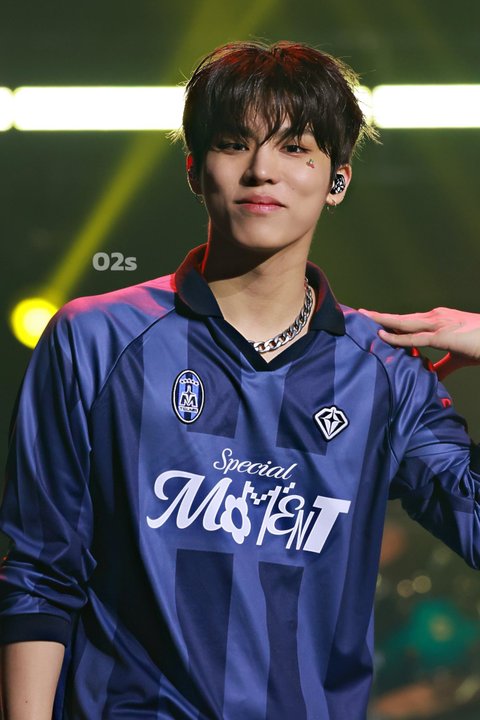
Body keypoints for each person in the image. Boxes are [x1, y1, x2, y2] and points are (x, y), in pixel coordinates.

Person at [0, 40, 479, 720]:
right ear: (195, 170)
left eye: (295, 148)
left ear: (338, 180)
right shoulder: (97, 338)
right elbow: (41, 570)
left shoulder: (385, 375)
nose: (261, 171)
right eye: (233, 144)